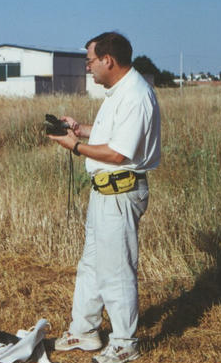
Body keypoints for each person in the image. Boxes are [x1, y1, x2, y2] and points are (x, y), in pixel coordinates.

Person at [47, 32, 161, 363]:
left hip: (120, 189)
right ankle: (84, 331)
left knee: (116, 270)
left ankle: (125, 343)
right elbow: (112, 133)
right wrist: (79, 128)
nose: (88, 68)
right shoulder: (119, 92)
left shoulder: (135, 95)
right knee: (93, 265)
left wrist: (76, 146)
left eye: (90, 61)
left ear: (107, 60)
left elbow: (117, 153)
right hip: (105, 190)